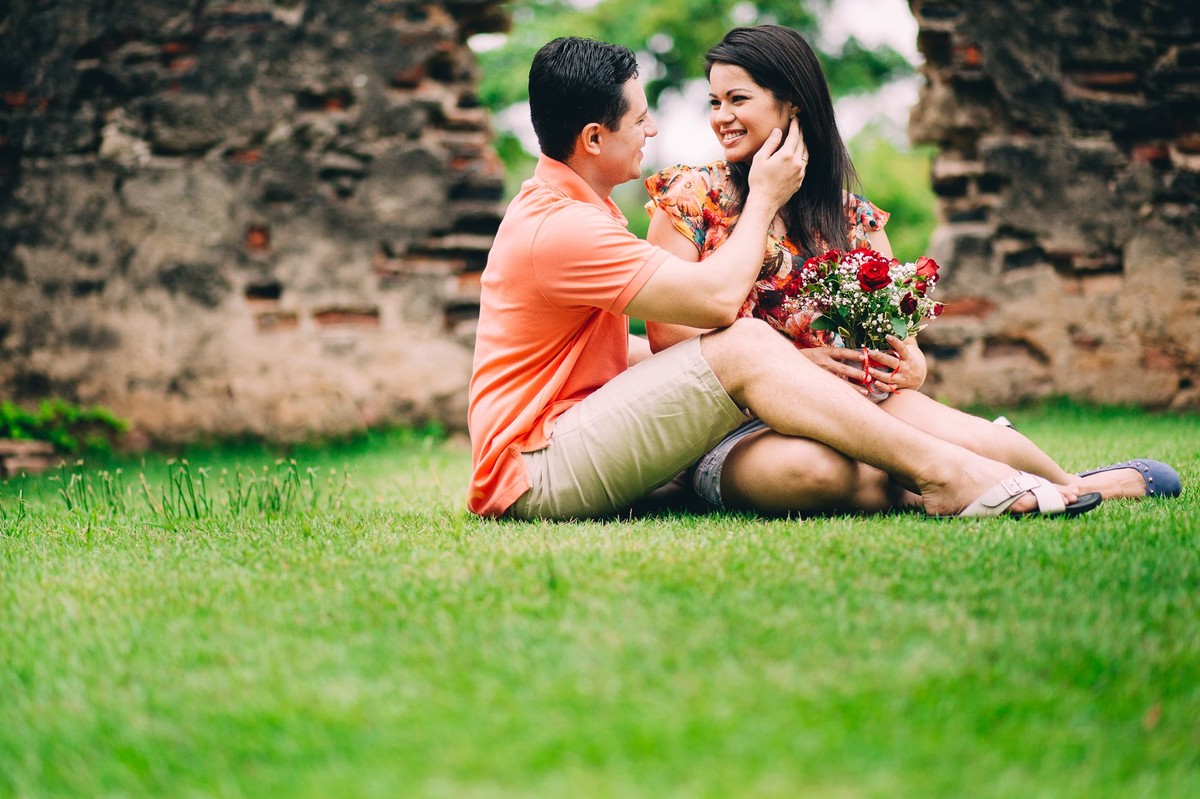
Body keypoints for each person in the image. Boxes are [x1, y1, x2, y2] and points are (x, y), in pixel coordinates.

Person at [466, 35, 1103, 522]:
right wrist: (766, 200)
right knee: (746, 348)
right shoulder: (564, 228)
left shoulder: (581, 211)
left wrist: (834, 368)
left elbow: (608, 354)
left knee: (775, 369)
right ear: (595, 138)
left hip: (568, 437)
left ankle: (1028, 474)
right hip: (533, 469)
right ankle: (946, 476)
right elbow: (713, 309)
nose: (655, 128)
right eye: (639, 119)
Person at [643, 24, 1181, 514]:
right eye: (714, 100)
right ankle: (954, 482)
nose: (721, 116)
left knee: (986, 441)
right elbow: (668, 336)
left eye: (738, 99)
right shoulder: (692, 196)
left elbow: (896, 326)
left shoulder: (849, 215)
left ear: (793, 104)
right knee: (812, 475)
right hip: (734, 425)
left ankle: (1071, 482)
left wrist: (911, 361)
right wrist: (796, 364)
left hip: (859, 408)